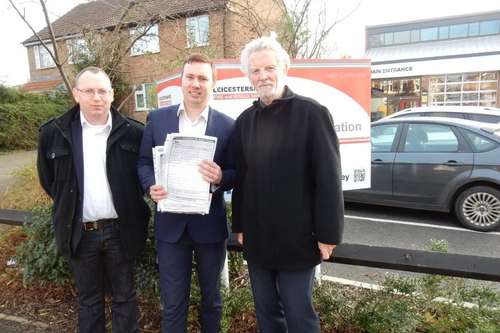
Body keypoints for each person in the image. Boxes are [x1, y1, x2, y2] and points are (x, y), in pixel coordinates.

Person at [232, 36, 344, 333]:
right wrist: (240, 226)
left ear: (284, 68)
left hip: (299, 239)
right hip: (256, 239)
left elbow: (329, 178)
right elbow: (242, 178)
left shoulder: (312, 114)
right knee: (267, 315)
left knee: (300, 316)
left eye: (269, 67)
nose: (263, 76)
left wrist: (328, 233)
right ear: (248, 76)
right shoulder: (244, 121)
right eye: (255, 71)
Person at [37, 67, 151, 333]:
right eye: (89, 91)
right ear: (77, 95)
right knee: (88, 302)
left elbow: (143, 178)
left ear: (112, 95)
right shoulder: (54, 133)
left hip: (121, 231)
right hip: (79, 233)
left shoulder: (133, 132)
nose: (96, 97)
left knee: (125, 297)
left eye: (102, 91)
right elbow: (49, 181)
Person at [137, 53, 235, 333]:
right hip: (171, 228)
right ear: (181, 81)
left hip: (209, 227)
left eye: (203, 78)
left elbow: (235, 171)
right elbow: (144, 162)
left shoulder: (228, 125)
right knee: (173, 302)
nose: (196, 84)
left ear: (213, 83)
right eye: (190, 77)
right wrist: (150, 186)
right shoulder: (157, 119)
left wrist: (220, 177)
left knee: (212, 301)